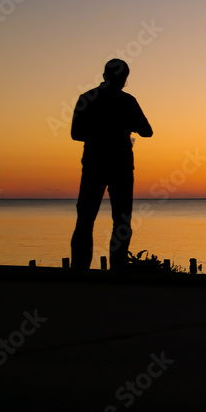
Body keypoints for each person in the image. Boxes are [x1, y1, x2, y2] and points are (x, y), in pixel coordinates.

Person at [70, 59, 152, 270]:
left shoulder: (87, 98)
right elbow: (147, 131)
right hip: (118, 166)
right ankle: (117, 271)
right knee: (120, 222)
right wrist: (121, 125)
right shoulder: (128, 102)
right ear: (125, 79)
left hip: (95, 165)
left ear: (105, 75)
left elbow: (76, 133)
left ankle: (81, 272)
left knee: (86, 221)